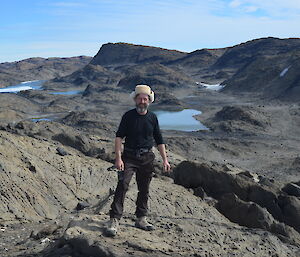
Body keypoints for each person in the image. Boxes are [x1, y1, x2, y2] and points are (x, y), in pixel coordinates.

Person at [106, 84, 171, 237]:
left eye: (145, 99)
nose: (142, 101)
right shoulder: (128, 116)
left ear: (149, 101)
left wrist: (165, 160)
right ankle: (114, 219)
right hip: (129, 156)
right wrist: (118, 158)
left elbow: (159, 140)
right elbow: (119, 137)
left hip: (147, 158)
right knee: (122, 185)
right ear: (135, 100)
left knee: (144, 188)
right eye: (140, 98)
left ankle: (141, 218)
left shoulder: (152, 118)